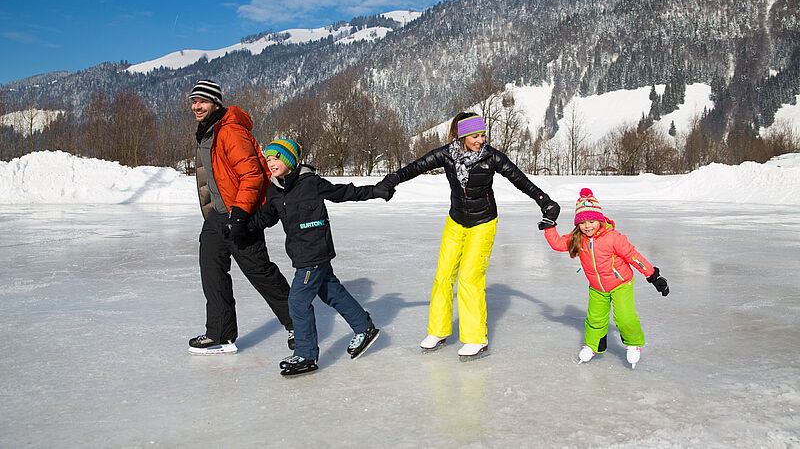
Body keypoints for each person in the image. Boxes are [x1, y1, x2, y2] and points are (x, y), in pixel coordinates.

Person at [379, 112, 560, 360]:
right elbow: (418, 166)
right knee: (443, 275)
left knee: (469, 278)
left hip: (483, 223)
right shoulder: (446, 154)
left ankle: (476, 339)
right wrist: (393, 180)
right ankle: (438, 331)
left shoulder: (491, 157)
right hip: (455, 221)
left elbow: (520, 179)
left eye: (483, 135)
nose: (480, 140)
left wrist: (545, 201)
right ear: (462, 136)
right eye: (475, 135)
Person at [248, 139, 393, 376]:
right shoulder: (275, 189)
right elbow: (266, 218)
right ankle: (364, 328)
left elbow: (345, 192)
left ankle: (305, 355)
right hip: (301, 252)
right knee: (332, 292)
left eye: (276, 158)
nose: (271, 163)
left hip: (314, 252)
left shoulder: (310, 183)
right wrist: (240, 226)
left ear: (289, 160)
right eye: (269, 159)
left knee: (297, 302)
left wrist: (375, 191)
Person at [187, 79, 293, 355]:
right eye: (194, 102)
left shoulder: (230, 130)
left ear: (216, 103)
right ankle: (220, 334)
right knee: (212, 271)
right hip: (216, 217)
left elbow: (253, 175)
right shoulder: (207, 130)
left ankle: (298, 324)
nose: (197, 106)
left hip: (240, 214)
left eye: (202, 101)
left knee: (261, 273)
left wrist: (240, 213)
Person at [542, 188, 669, 368]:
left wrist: (653, 276)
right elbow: (557, 243)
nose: (588, 226)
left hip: (621, 283)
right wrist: (549, 225)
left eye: (592, 221)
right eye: (583, 222)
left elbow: (633, 256)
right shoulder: (578, 238)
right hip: (597, 287)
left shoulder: (613, 238)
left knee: (625, 317)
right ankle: (593, 345)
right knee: (595, 318)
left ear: (600, 220)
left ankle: (633, 344)